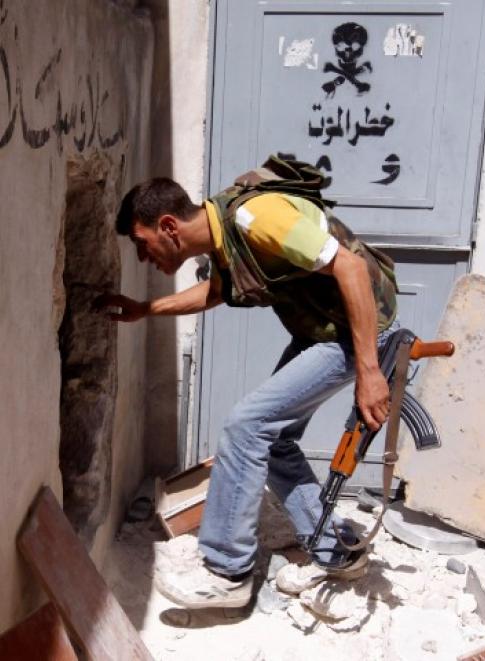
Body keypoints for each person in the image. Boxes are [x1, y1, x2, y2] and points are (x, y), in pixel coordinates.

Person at [96, 162, 398, 609]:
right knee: (273, 438)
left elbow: (350, 268)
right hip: (324, 332)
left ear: (168, 226)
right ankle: (335, 550)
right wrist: (146, 308)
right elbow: (216, 292)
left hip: (356, 330)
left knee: (247, 425)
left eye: (142, 244)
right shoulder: (223, 233)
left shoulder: (259, 218)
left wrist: (371, 372)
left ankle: (227, 572)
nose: (144, 257)